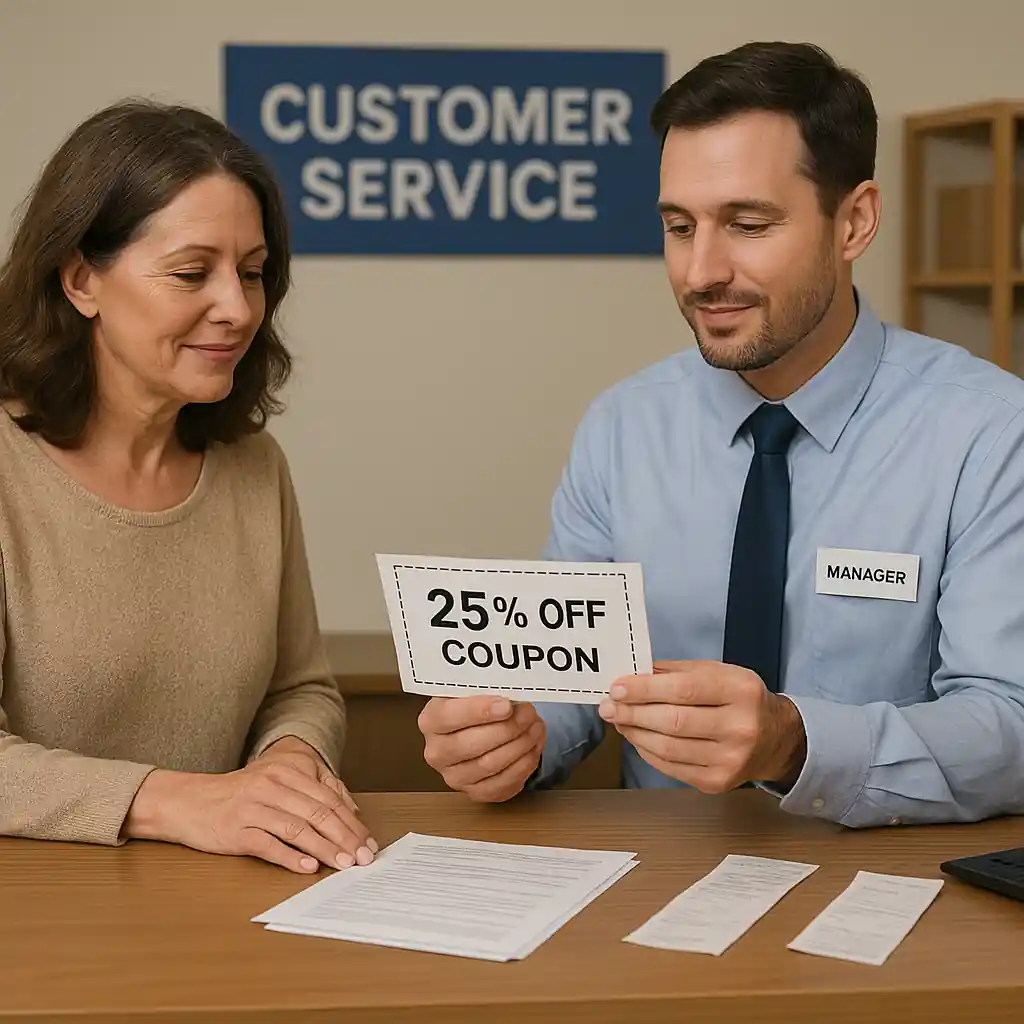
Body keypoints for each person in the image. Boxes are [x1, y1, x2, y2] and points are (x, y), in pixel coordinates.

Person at [417, 41, 1024, 827]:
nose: (701, 270)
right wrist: (516, 738)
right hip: (660, 892)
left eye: (747, 223)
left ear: (855, 222)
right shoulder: (622, 429)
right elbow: (571, 680)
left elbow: (1011, 723)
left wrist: (797, 744)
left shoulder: (989, 433)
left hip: (886, 889)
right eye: (679, 226)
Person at [0, 99, 377, 874]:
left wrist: (289, 762)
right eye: (191, 273)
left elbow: (300, 689)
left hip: (221, 920)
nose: (237, 310)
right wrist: (176, 802)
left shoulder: (254, 468)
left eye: (251, 273)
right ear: (80, 279)